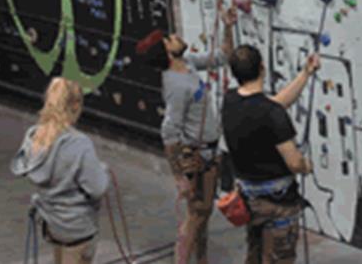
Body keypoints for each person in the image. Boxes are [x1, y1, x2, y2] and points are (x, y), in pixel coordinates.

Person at [136, 14, 234, 264]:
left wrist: (228, 26)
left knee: (203, 213)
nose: (176, 37)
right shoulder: (176, 86)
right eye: (170, 39)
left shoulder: (188, 63)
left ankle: (201, 260)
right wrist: (180, 176)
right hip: (198, 155)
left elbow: (223, 56)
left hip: (209, 152)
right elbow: (169, 133)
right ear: (167, 52)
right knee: (196, 216)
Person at [221, 44, 320, 264]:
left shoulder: (230, 100)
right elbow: (294, 163)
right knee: (279, 258)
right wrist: (306, 166)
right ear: (262, 68)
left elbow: (274, 103)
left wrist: (305, 74)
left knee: (255, 255)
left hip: (250, 198)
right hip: (277, 202)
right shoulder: (273, 115)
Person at [11, 77, 110, 263]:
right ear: (76, 105)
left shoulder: (34, 137)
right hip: (77, 227)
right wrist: (103, 171)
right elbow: (97, 188)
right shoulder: (79, 144)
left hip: (52, 223)